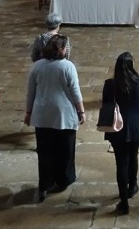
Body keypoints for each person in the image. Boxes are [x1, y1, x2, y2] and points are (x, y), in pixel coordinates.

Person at [25, 35, 85, 202]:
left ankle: (45, 183)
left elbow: (31, 92)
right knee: (65, 149)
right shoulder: (67, 66)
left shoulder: (37, 66)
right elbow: (75, 91)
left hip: (42, 114)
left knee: (45, 151)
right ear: (61, 49)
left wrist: (28, 112)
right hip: (63, 114)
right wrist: (81, 111)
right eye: (65, 47)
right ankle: (64, 179)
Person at [102, 52, 139, 215]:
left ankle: (123, 201)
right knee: (133, 156)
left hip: (117, 128)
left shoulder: (110, 85)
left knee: (121, 163)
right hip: (135, 126)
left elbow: (106, 104)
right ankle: (133, 186)